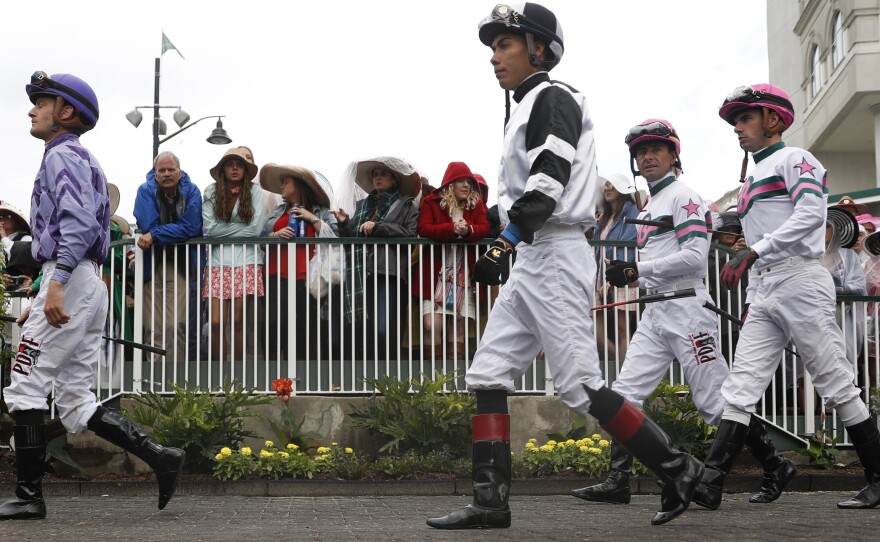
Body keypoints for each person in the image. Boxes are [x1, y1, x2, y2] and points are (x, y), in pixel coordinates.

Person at [427, 5, 703, 529]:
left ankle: (677, 467)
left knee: (580, 387)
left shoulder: (555, 97)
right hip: (535, 252)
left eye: (504, 45)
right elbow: (519, 191)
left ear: (539, 48)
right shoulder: (525, 105)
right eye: (492, 47)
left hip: (553, 251)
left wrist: (506, 237)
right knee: (487, 374)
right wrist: (499, 229)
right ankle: (490, 504)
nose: (493, 57)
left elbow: (550, 178)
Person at [571, 119, 793, 507]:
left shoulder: (684, 197)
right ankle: (617, 481)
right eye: (641, 152)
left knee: (714, 404)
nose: (647, 156)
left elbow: (693, 255)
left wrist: (639, 271)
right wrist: (631, 277)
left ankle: (775, 464)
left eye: (656, 149)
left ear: (674, 155)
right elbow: (654, 261)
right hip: (655, 315)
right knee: (625, 395)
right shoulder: (651, 203)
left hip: (688, 313)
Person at [0, 71, 184, 521]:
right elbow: (79, 230)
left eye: (40, 103)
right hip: (86, 280)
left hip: (73, 277)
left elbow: (78, 226)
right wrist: (50, 288)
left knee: (25, 386)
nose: (31, 109)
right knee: (75, 399)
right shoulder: (81, 159)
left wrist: (55, 283)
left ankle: (29, 496)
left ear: (64, 113)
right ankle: (161, 456)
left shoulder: (61, 157)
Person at [693, 83, 880, 511]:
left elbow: (812, 215)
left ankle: (877, 477)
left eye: (745, 118)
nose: (737, 128)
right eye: (735, 121)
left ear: (772, 120)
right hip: (767, 287)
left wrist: (754, 251)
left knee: (834, 381)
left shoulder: (797, 158)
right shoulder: (750, 179)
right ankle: (709, 483)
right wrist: (754, 289)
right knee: (740, 387)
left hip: (800, 278)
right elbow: (760, 239)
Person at [331, 156, 420, 361]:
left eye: (383, 174)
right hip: (359, 272)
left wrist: (380, 228)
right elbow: (352, 237)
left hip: (387, 271)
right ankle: (365, 379)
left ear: (394, 179)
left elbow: (410, 234)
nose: (378, 178)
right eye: (375, 175)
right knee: (361, 327)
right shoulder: (363, 205)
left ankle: (385, 377)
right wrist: (345, 223)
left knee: (383, 327)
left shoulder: (406, 206)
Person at [260, 163, 339, 361]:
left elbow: (336, 237)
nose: (281, 186)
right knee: (272, 325)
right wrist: (275, 234)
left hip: (308, 279)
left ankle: (297, 381)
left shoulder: (320, 212)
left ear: (300, 185)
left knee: (303, 328)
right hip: (276, 275)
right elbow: (261, 240)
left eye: (286, 182)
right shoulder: (277, 212)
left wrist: (313, 218)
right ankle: (273, 377)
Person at [133, 151, 203, 364]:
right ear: (155, 174)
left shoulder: (192, 191)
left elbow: (191, 227)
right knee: (154, 326)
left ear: (179, 172)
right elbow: (148, 224)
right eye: (161, 170)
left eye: (171, 169)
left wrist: (155, 235)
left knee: (178, 324)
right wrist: (157, 232)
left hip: (182, 265)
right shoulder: (145, 191)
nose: (166, 174)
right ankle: (154, 381)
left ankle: (176, 381)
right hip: (151, 265)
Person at [415, 161, 490, 359]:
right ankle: (433, 381)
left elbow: (485, 228)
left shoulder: (476, 204)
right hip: (436, 272)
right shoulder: (432, 202)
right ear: (450, 184)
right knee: (431, 325)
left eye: (469, 182)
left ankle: (452, 381)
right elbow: (424, 228)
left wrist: (468, 230)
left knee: (457, 328)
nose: (467, 185)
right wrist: (451, 229)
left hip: (464, 274)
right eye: (461, 181)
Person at [202, 147, 267, 362]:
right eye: (230, 164)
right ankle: (219, 374)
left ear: (246, 169)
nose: (235, 168)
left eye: (240, 164)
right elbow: (210, 230)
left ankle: (238, 374)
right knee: (216, 322)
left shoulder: (255, 192)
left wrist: (225, 230)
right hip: (217, 262)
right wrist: (240, 230)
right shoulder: (211, 192)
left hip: (246, 260)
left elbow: (256, 230)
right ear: (223, 169)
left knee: (238, 320)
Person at [591, 173, 639, 363]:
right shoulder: (603, 217)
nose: (607, 188)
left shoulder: (632, 211)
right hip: (599, 278)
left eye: (612, 184)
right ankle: (626, 371)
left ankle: (624, 380)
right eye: (605, 185)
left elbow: (627, 245)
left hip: (622, 274)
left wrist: (613, 279)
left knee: (622, 330)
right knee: (597, 332)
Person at [0, 201, 39, 292]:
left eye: (7, 216)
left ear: (16, 222)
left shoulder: (25, 238)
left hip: (21, 293)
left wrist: (4, 238)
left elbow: (23, 256)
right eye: (0, 217)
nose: (2, 220)